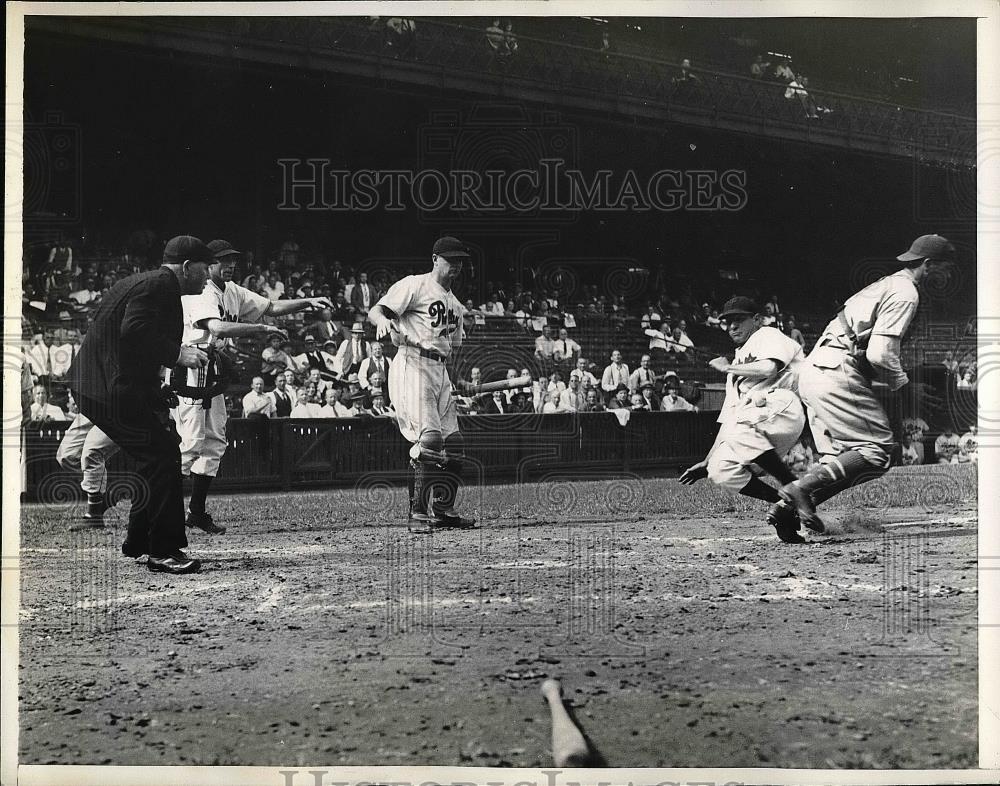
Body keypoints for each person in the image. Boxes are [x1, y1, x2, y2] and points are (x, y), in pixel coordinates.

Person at [776, 235, 956, 533]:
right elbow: (880, 353)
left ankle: (787, 511)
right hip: (835, 368)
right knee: (877, 451)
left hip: (816, 368)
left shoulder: (887, 284)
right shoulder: (906, 292)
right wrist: (905, 387)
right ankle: (800, 489)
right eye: (947, 267)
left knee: (842, 459)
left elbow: (866, 351)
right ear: (928, 264)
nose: (949, 275)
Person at [69, 235, 212, 574]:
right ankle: (163, 550)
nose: (208, 276)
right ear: (187, 267)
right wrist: (178, 354)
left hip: (103, 384)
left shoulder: (146, 282)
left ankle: (140, 541)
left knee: (156, 454)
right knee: (163, 454)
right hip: (107, 386)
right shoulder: (160, 285)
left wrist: (153, 391)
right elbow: (134, 331)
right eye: (205, 268)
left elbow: (127, 344)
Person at [174, 240, 331, 536]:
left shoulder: (233, 291)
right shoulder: (202, 291)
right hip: (190, 367)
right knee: (191, 444)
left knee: (215, 442)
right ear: (209, 264)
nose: (230, 265)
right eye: (223, 260)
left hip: (211, 367)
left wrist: (308, 302)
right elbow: (217, 328)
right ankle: (164, 514)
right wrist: (261, 328)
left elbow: (271, 306)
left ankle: (196, 512)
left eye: (233, 260)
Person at [368, 235, 476, 533]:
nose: (456, 265)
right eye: (450, 259)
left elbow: (450, 348)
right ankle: (416, 512)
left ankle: (443, 511)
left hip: (439, 370)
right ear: (435, 259)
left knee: (455, 443)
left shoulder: (455, 304)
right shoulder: (415, 284)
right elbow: (377, 310)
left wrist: (457, 380)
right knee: (430, 440)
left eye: (460, 261)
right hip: (412, 363)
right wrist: (381, 321)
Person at [679, 297, 807, 544]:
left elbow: (769, 369)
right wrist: (707, 461)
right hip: (755, 421)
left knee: (742, 423)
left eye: (738, 320)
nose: (732, 326)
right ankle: (785, 505)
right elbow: (730, 418)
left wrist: (727, 368)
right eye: (727, 323)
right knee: (720, 469)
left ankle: (792, 486)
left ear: (756, 319)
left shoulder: (767, 334)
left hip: (783, 405)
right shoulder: (737, 361)